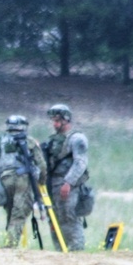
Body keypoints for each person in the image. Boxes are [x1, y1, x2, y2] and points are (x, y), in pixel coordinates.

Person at [0, 115, 47, 248]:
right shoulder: (30, 141)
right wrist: (41, 182)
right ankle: (10, 247)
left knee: (11, 212)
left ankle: (9, 243)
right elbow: (42, 165)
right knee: (18, 215)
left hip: (3, 181)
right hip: (23, 181)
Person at [43, 103, 90, 251]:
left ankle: (76, 250)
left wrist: (68, 182)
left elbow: (80, 163)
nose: (55, 123)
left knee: (69, 216)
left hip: (69, 185)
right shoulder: (53, 140)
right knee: (55, 218)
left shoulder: (77, 139)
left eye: (58, 120)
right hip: (52, 184)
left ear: (66, 120)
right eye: (53, 120)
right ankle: (60, 251)